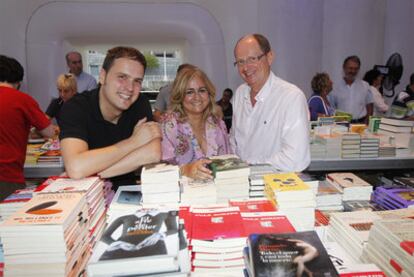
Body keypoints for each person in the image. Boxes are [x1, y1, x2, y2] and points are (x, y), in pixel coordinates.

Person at [59, 46, 162, 191]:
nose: (130, 88)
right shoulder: (76, 107)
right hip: (86, 197)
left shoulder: (140, 103)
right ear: (102, 76)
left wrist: (89, 172)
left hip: (126, 194)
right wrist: (134, 142)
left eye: (137, 81)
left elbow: (153, 153)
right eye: (122, 77)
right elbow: (76, 167)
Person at [230, 33, 310, 172]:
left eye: (252, 59)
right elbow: (234, 141)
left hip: (275, 187)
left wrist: (249, 168)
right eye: (240, 62)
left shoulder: (291, 97)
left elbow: (296, 159)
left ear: (269, 57)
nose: (246, 67)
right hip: (241, 185)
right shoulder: (240, 93)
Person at [160, 66, 231, 180]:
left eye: (202, 90)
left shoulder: (218, 124)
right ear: (180, 96)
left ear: (209, 93)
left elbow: (229, 163)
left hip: (217, 193)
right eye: (189, 92)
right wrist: (186, 170)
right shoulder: (170, 125)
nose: (197, 97)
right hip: (182, 195)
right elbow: (160, 170)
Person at [0, 55, 55, 200]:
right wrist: (32, 131)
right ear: (18, 81)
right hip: (7, 176)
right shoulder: (22, 100)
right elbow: (49, 132)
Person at [99, 209, 178, 260]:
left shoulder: (164, 214)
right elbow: (104, 236)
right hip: (123, 249)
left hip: (152, 246)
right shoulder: (125, 217)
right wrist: (119, 244)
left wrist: (160, 235)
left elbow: (174, 229)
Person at [328, 55, 374, 124]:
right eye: (350, 68)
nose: (353, 71)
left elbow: (370, 106)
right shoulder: (334, 87)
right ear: (344, 68)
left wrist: (367, 123)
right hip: (341, 125)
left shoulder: (365, 86)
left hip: (360, 125)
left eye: (356, 69)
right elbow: (330, 107)